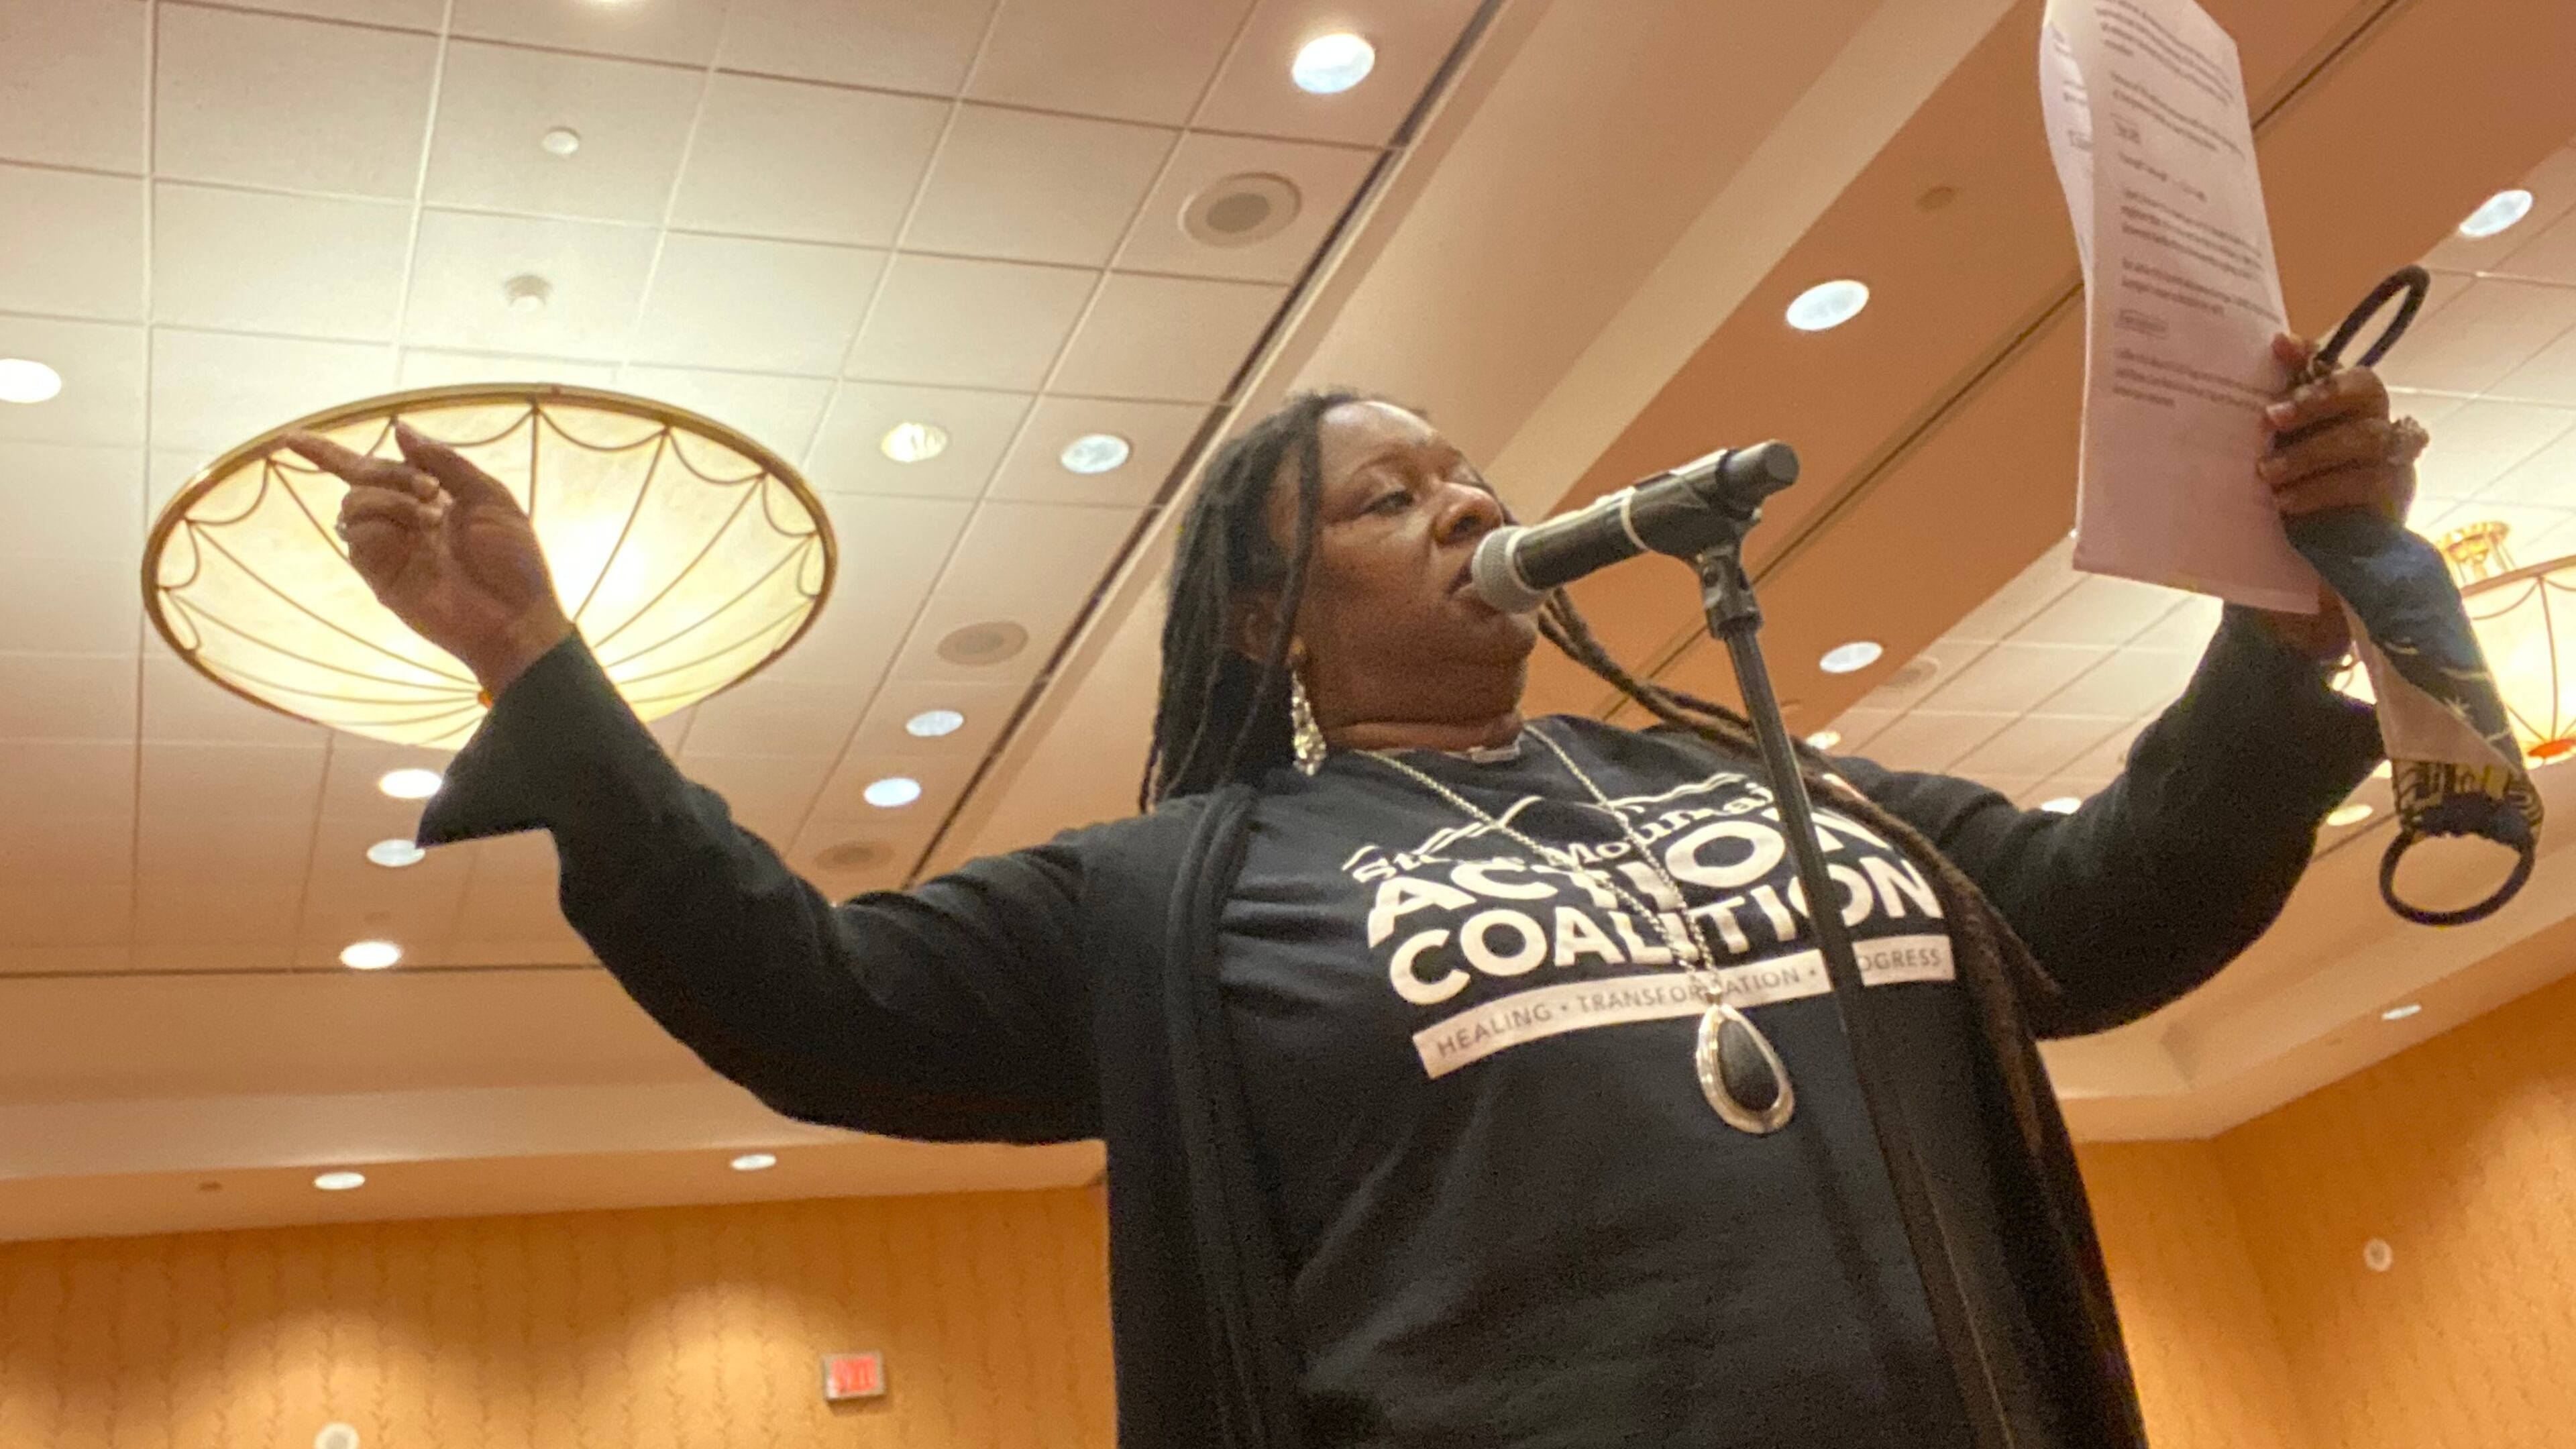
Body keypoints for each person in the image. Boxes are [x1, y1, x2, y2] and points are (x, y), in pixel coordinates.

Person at [293, 329, 2407, 1448]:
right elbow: (814, 1003)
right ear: (1264, 623)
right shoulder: (1178, 895)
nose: (1468, 502)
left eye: (1465, 471)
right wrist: (539, 673)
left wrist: (2286, 619)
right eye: (1386, 499)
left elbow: (2113, 914)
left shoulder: (1783, 781)